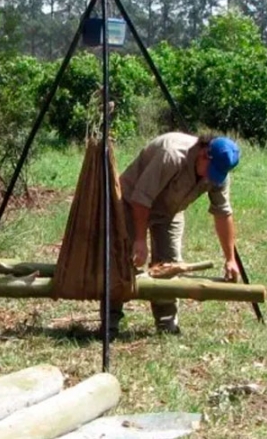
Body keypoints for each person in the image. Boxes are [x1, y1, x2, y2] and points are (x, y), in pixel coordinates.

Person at [103, 132, 241, 337]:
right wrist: (140, 240)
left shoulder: (219, 171)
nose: (209, 178)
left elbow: (222, 213)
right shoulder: (172, 155)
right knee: (122, 261)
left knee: (170, 265)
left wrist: (230, 259)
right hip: (131, 204)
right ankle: (110, 321)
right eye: (210, 171)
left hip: (169, 211)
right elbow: (141, 198)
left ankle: (166, 323)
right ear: (204, 154)